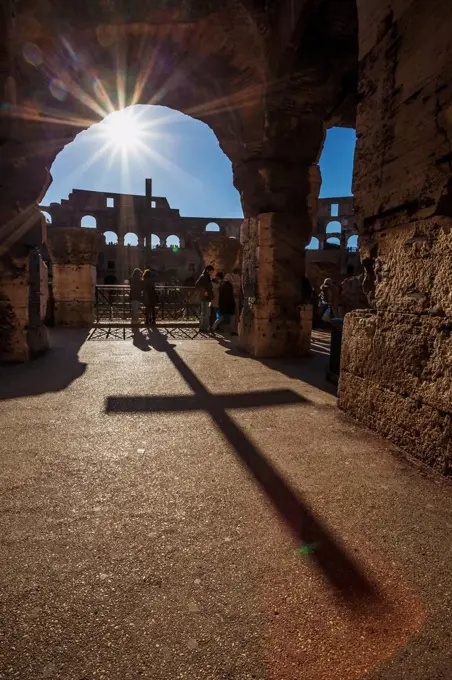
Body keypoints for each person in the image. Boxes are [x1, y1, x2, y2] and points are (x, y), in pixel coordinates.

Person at [195, 265, 214, 331]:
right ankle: (204, 328)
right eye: (211, 271)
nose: (211, 273)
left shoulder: (206, 276)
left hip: (206, 297)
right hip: (204, 297)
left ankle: (203, 327)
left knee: (204, 313)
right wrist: (204, 292)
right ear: (207, 270)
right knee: (205, 313)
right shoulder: (203, 276)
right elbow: (197, 285)